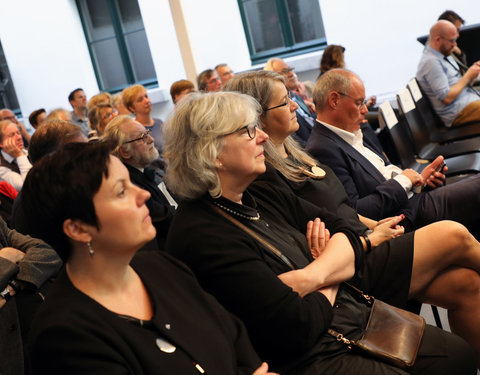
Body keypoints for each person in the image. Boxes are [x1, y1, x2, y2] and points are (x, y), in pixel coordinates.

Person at [163, 91, 476, 375]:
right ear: (212, 152)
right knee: (451, 236)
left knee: (459, 354)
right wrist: (330, 272)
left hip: (346, 313)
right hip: (311, 354)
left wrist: (310, 277)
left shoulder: (253, 193)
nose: (261, 136)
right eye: (247, 130)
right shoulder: (202, 234)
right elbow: (297, 325)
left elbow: (345, 227)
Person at [24, 141, 276, 375]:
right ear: (78, 229)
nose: (143, 194)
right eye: (121, 191)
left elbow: (234, 336)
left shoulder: (161, 267)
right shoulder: (65, 337)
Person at [306, 69, 480, 239]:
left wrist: (420, 181)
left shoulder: (350, 131)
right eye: (359, 103)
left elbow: (384, 173)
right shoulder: (322, 149)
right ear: (334, 100)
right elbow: (355, 212)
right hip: (404, 218)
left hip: (414, 199)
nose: (365, 110)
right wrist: (405, 181)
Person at [104, 115, 177, 250]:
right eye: (142, 137)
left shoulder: (154, 166)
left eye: (148, 133)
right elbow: (170, 220)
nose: (151, 139)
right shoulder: (131, 188)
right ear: (125, 152)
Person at [0, 219, 62, 375]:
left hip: (46, 333)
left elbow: (47, 251)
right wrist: (6, 259)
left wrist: (12, 286)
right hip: (11, 353)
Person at [11, 119, 87, 236]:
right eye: (78, 153)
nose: (88, 158)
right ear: (51, 160)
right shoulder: (32, 203)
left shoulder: (72, 185)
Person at [416, 20, 480, 127]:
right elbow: (447, 98)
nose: (455, 45)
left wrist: (473, 73)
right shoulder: (431, 62)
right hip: (458, 112)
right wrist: (468, 75)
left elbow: (457, 84)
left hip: (468, 101)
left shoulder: (443, 54)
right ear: (438, 39)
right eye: (452, 41)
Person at [264, 58, 316, 147]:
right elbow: (296, 143)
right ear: (273, 77)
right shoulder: (278, 108)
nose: (291, 74)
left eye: (290, 69)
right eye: (285, 71)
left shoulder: (296, 97)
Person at [122, 84, 164, 168]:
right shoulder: (134, 132)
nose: (147, 101)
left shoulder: (159, 122)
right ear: (132, 108)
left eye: (146, 96)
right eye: (140, 100)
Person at [0, 120, 32, 191]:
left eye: (18, 133)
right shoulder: (2, 168)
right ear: (1, 143)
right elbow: (28, 185)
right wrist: (19, 156)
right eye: (12, 135)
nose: (19, 137)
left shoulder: (31, 151)